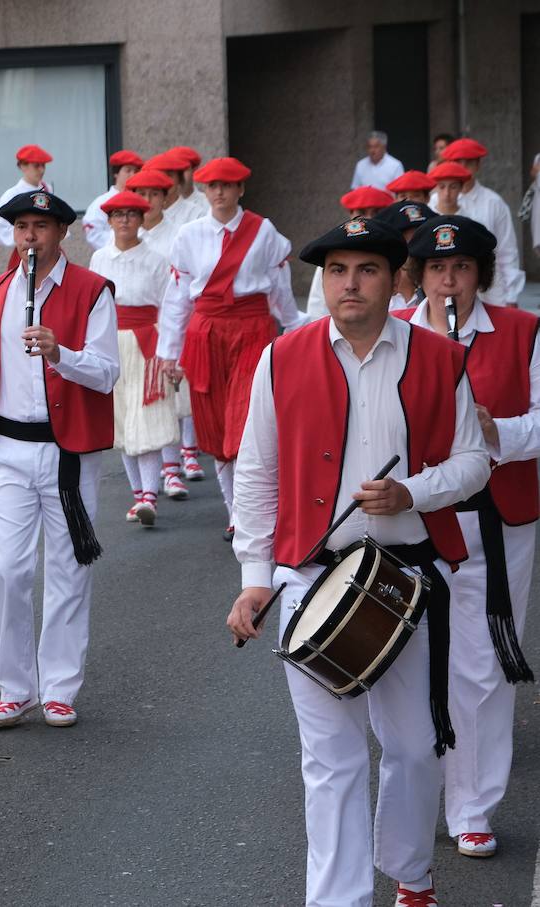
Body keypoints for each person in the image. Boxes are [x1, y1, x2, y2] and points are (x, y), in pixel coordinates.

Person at [228, 216, 490, 907]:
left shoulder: (438, 357)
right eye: (337, 269)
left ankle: (411, 870)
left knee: (410, 747)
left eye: (367, 269)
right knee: (330, 760)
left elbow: (473, 461)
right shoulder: (282, 356)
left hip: (404, 578)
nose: (349, 283)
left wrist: (415, 490)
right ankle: (338, 899)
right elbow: (255, 474)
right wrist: (255, 580)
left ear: (396, 278)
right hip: (312, 577)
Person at [398, 214, 540, 860]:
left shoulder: (521, 330)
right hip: (416, 519)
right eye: (435, 270)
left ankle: (474, 803)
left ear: (479, 273)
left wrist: (496, 433)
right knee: (412, 660)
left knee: (483, 667)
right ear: (419, 276)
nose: (448, 282)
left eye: (459, 269)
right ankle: (419, 793)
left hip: (497, 516)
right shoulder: (395, 333)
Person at [0, 189, 119, 731]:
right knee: (8, 570)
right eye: (22, 226)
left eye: (41, 226)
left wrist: (60, 354)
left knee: (69, 571)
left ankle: (59, 688)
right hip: (7, 452)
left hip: (69, 453)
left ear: (61, 233)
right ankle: (15, 687)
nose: (30, 235)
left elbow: (106, 372)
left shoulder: (93, 290)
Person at [156, 157, 304, 541]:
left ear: (241, 189)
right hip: (205, 335)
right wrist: (169, 352)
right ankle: (233, 511)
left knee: (244, 423)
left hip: (253, 330)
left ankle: (247, 512)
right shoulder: (189, 235)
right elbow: (177, 299)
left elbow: (279, 286)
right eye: (212, 186)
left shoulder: (264, 231)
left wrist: (294, 329)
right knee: (216, 426)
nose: (219, 192)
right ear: (204, 191)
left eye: (227, 185)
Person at [88, 190, 180, 525]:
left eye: (131, 214)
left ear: (141, 220)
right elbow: (95, 306)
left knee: (149, 418)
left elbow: (170, 307)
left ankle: (150, 496)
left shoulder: (156, 259)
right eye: (117, 215)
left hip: (147, 343)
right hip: (111, 343)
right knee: (123, 420)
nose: (124, 220)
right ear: (109, 221)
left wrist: (171, 352)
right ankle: (138, 493)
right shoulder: (100, 258)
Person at [130, 165, 204, 492]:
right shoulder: (129, 234)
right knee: (149, 398)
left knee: (177, 394)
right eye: (140, 195)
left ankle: (181, 458)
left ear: (164, 197)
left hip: (172, 320)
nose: (146, 201)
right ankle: (164, 467)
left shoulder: (179, 232)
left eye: (153, 195)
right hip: (141, 326)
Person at [432, 138, 526, 306]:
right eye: (457, 162)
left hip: (489, 290)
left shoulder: (494, 202)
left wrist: (511, 295)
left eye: (468, 163)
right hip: (447, 286)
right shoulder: (434, 202)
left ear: (478, 165)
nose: (463, 167)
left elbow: (507, 251)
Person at [305, 186, 395, 318]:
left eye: (377, 212)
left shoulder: (394, 249)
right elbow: (318, 307)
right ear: (350, 214)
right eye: (362, 212)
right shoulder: (333, 251)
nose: (369, 218)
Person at [0, 144, 53, 253]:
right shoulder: (12, 194)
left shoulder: (47, 189)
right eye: (36, 166)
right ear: (23, 166)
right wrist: (23, 238)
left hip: (48, 248)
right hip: (26, 250)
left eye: (43, 165)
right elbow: (1, 225)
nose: (41, 170)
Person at [82, 150, 144, 250]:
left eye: (136, 171)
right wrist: (122, 243)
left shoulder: (143, 201)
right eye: (128, 170)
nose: (133, 175)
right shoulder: (101, 202)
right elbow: (93, 233)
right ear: (116, 174)